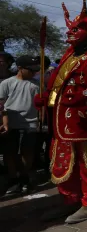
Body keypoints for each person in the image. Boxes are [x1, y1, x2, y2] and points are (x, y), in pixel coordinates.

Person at [34, 0, 87, 223]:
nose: (69, 33)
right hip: (61, 122)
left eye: (76, 29)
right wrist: (47, 98)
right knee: (64, 162)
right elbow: (59, 85)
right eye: (70, 29)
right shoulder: (68, 56)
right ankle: (70, 200)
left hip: (86, 121)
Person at [0, 55, 41, 195]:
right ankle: (13, 179)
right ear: (20, 68)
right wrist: (4, 122)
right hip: (10, 124)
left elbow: (41, 105)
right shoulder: (7, 83)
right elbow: (1, 105)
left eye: (36, 69)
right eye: (31, 69)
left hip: (30, 124)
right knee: (9, 153)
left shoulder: (37, 85)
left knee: (27, 153)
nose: (34, 72)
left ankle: (24, 178)